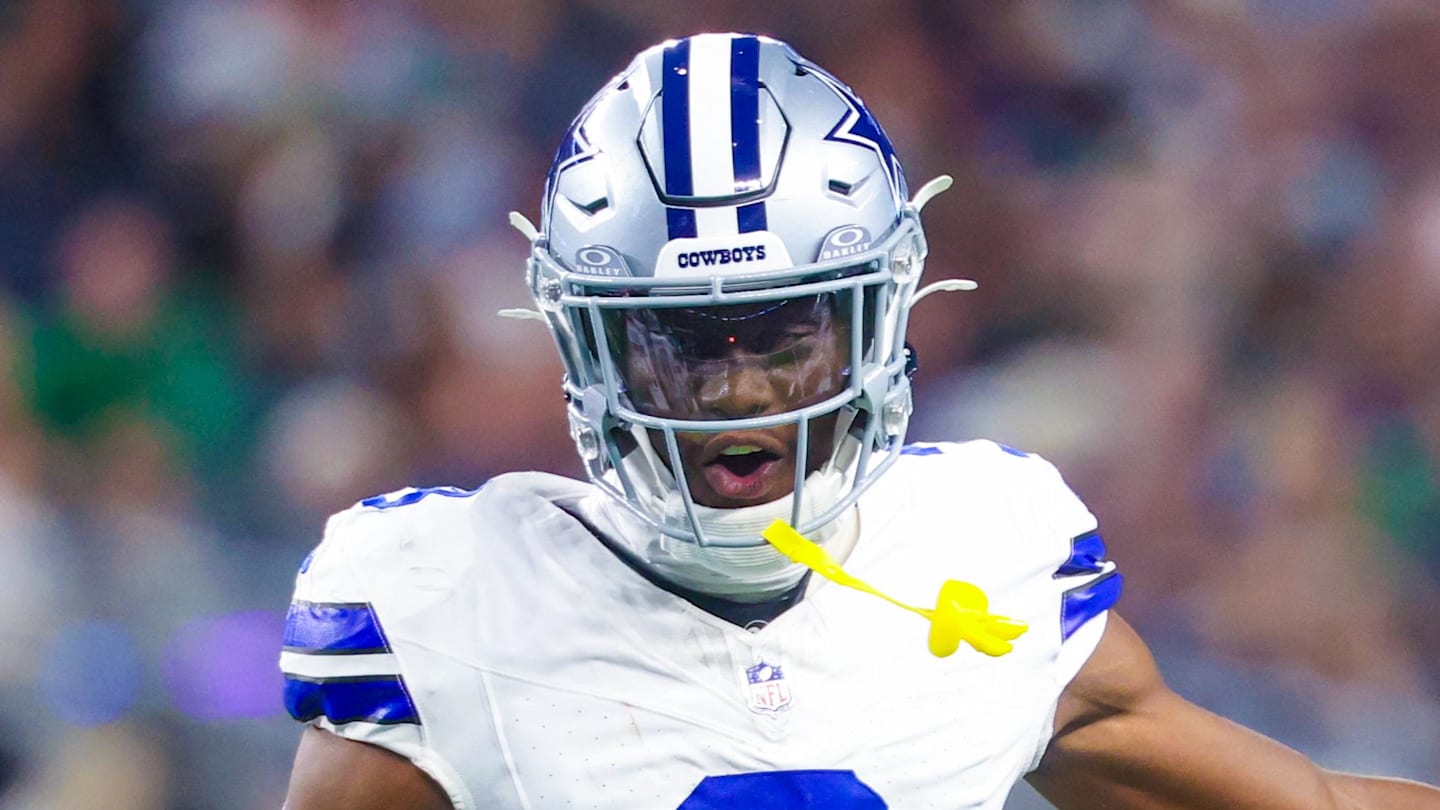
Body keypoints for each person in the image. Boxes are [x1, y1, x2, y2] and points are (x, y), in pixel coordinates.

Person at [279, 33, 1440, 809]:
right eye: (684, 344)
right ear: (590, 343)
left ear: (880, 315)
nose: (738, 392)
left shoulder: (975, 565)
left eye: (787, 333)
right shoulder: (452, 603)